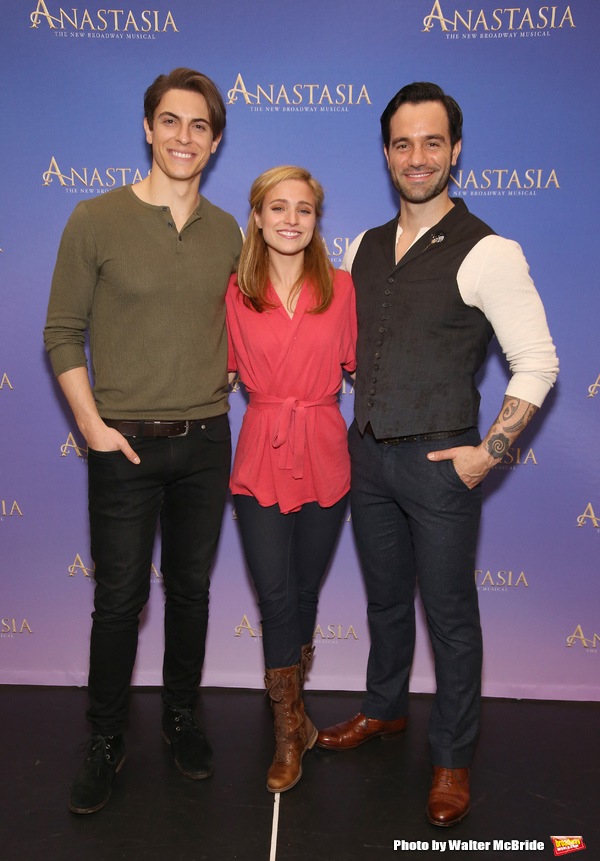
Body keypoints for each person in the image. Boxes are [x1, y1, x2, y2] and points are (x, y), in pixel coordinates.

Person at [316, 83, 558, 826]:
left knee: (449, 617)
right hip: (369, 459)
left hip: (442, 467)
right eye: (401, 143)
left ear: (455, 150)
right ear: (386, 153)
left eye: (431, 142)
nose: (416, 158)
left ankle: (451, 757)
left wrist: (486, 455)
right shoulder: (360, 246)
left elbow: (538, 362)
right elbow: (362, 349)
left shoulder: (490, 250)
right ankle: (385, 710)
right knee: (386, 600)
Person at [43, 68, 242, 814]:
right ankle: (104, 737)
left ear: (215, 140)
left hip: (205, 443)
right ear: (148, 128)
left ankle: (182, 718)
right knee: (119, 601)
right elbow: (61, 331)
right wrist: (93, 427)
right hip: (121, 445)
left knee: (190, 592)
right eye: (169, 121)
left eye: (198, 125)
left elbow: (245, 324)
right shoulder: (93, 218)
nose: (182, 137)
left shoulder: (229, 230)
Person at [226, 165, 356, 793]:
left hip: (327, 452)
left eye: (303, 209)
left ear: (315, 220)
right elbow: (216, 369)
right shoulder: (233, 291)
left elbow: (363, 365)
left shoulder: (343, 288)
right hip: (260, 453)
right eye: (277, 208)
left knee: (304, 594)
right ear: (256, 216)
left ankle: (298, 718)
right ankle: (287, 733)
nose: (290, 220)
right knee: (275, 596)